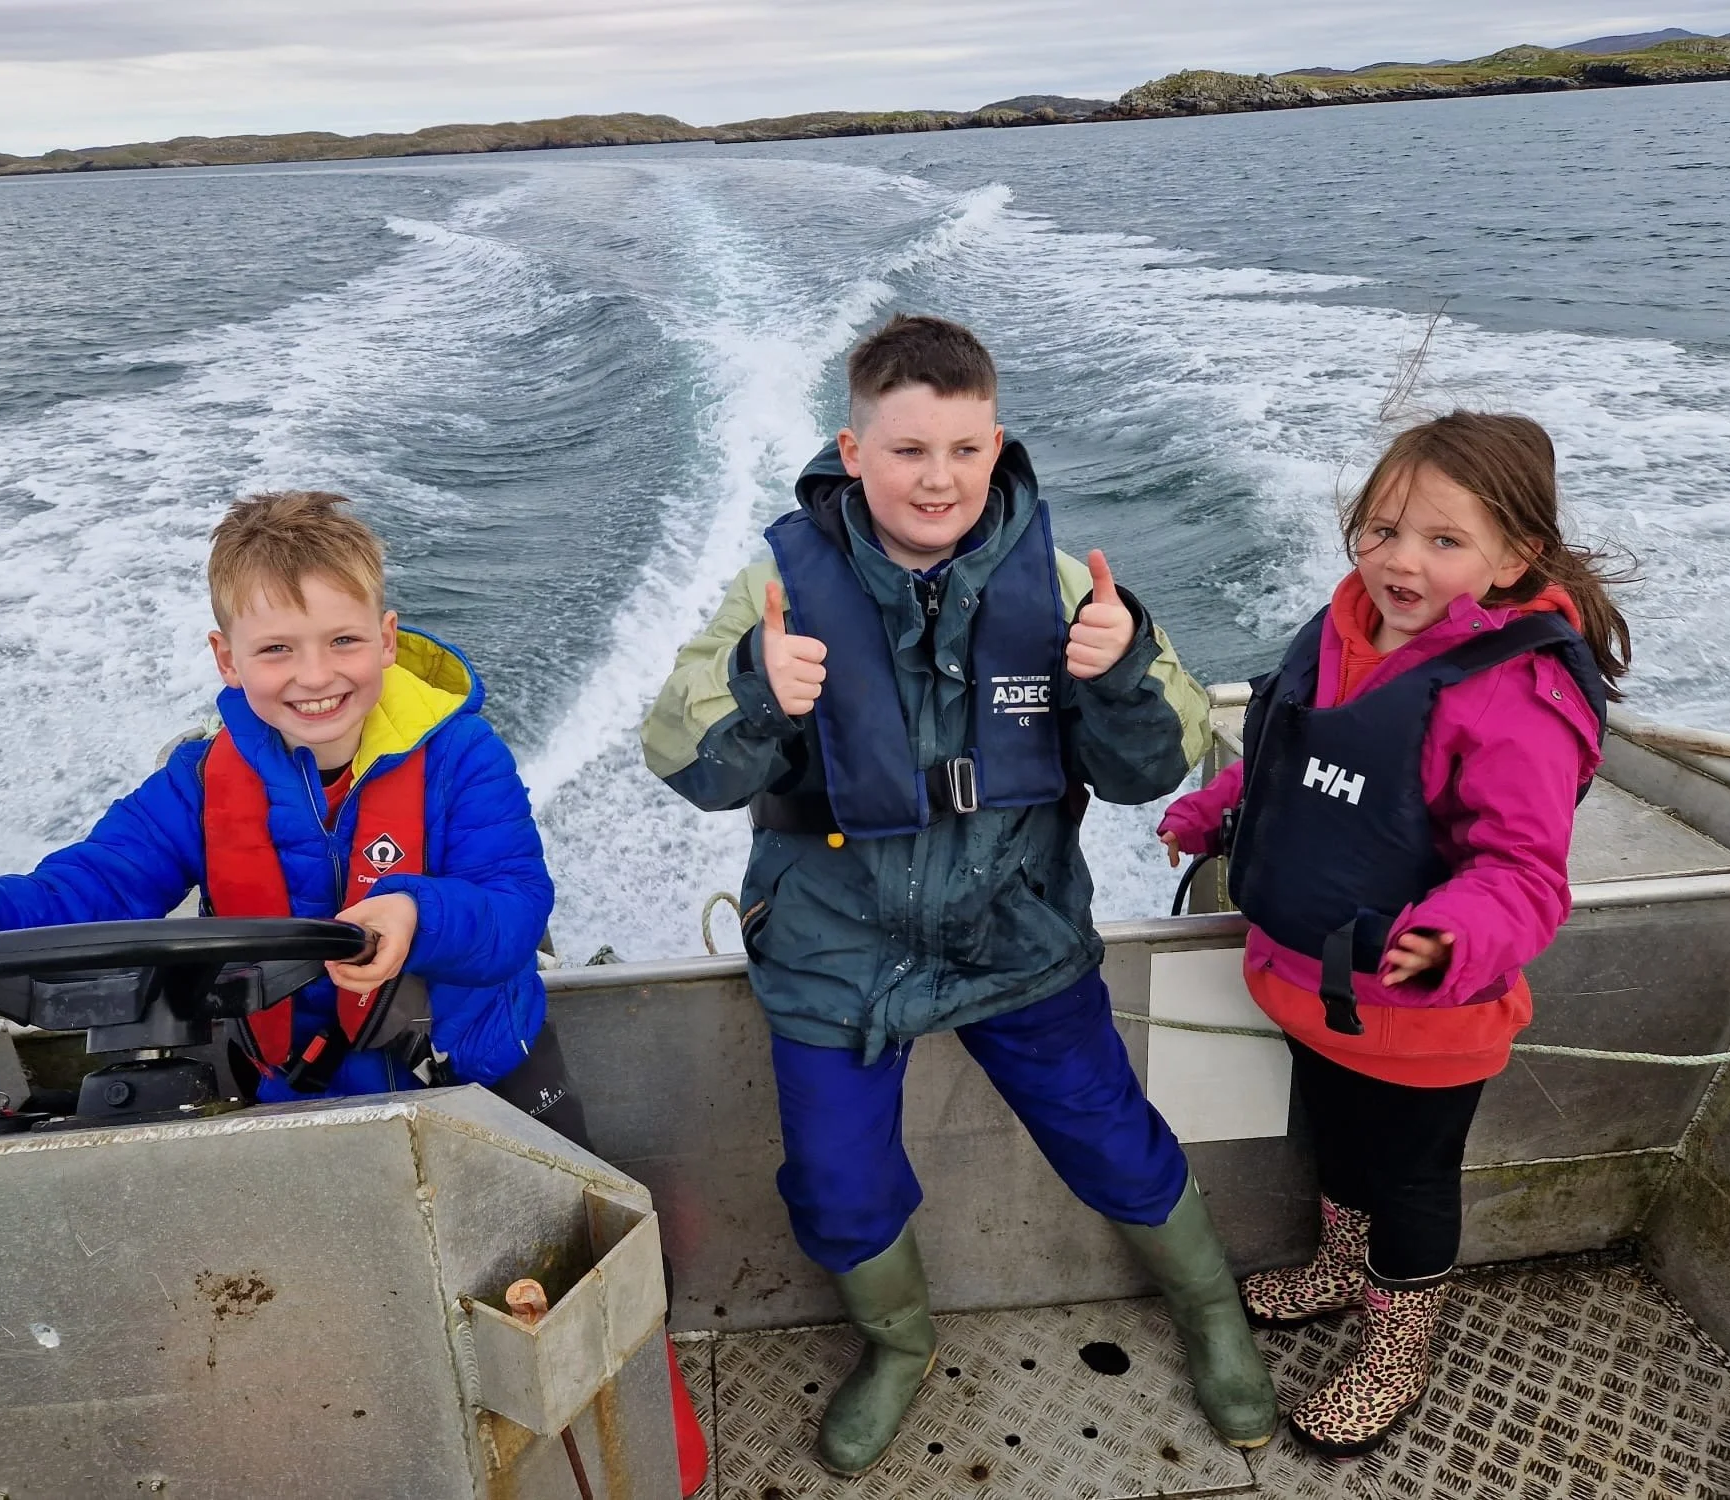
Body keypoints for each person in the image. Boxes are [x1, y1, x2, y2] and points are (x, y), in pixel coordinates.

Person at [0, 490, 709, 1493]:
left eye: (342, 640)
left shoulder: (461, 759)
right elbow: (77, 889)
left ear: (386, 641)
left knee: (572, 1291)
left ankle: (654, 1468)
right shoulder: (195, 784)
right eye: (276, 651)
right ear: (227, 660)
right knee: (338, 1318)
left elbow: (514, 904)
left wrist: (417, 916)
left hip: (483, 1076)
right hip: (298, 1096)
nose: (314, 676)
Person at [641, 312, 1276, 1474]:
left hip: (1016, 933)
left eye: (963, 450)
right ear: (852, 448)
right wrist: (751, 691)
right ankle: (897, 1345)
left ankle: (1209, 1313)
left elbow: (1152, 770)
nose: (936, 479)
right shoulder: (776, 587)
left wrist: (1123, 669)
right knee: (836, 1180)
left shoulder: (1071, 587)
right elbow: (681, 762)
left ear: (997, 445)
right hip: (834, 944)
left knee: (1112, 1137)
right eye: (905, 451)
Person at [1157, 411, 1626, 1456]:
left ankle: (1398, 1344)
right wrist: (1215, 810)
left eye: (1441, 541)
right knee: (1336, 1142)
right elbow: (1292, 755)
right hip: (1306, 987)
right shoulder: (1340, 632)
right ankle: (1335, 1266)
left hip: (1421, 1020)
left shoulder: (1514, 700)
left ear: (1515, 558)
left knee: (1409, 1182)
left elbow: (1522, 875)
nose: (1399, 561)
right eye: (1380, 530)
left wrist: (1453, 934)